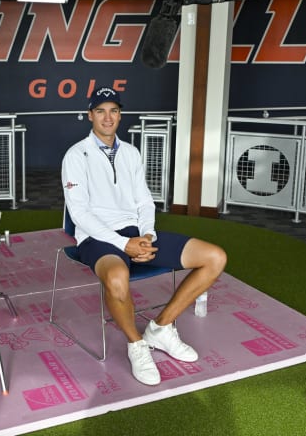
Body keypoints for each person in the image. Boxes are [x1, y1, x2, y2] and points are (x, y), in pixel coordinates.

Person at [61, 86, 227, 386]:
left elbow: (144, 201)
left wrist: (147, 236)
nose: (108, 117)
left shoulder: (130, 152)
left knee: (215, 257)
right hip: (97, 239)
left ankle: (161, 329)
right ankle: (136, 344)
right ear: (90, 115)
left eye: (113, 110)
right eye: (100, 111)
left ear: (120, 115)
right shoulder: (76, 155)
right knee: (116, 278)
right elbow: (80, 214)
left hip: (136, 233)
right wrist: (125, 244)